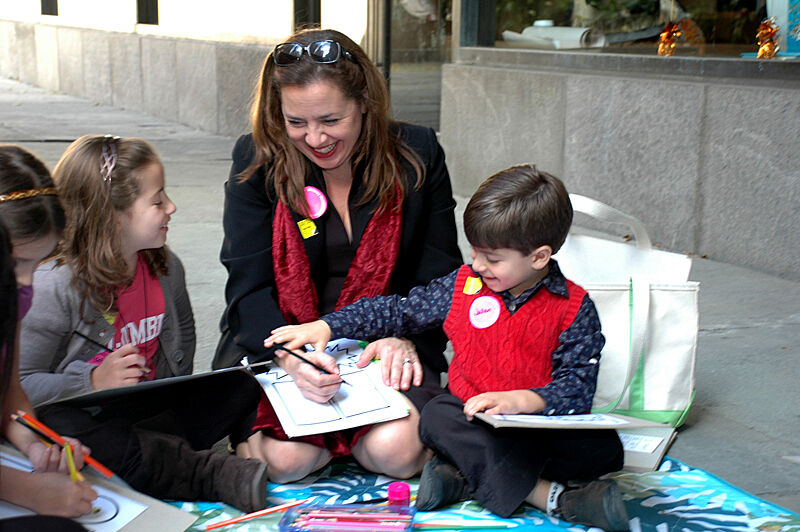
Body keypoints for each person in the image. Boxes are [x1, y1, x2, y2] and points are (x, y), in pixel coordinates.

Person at [264, 164, 630, 531]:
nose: (478, 264)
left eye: (494, 258)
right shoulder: (464, 285)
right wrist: (327, 324)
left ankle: (462, 476)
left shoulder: (574, 308)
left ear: (538, 256)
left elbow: (579, 387)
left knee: (606, 449)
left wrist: (524, 401)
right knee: (438, 415)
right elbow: (395, 311)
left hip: (538, 425)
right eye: (475, 251)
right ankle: (553, 497)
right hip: (473, 422)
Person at [215, 27, 462, 483]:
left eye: (331, 119)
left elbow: (442, 279)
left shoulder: (417, 153)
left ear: (365, 100)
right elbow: (246, 291)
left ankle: (351, 438)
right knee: (289, 462)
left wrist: (407, 340)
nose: (314, 138)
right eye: (296, 122)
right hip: (278, 349)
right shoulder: (256, 161)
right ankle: (292, 438)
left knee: (395, 453)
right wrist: (291, 359)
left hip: (384, 341)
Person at [13, 138, 267, 512]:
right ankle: (203, 474)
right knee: (68, 425)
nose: (171, 207)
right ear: (113, 215)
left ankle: (178, 455)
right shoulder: (55, 283)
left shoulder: (166, 268)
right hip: (94, 420)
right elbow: (19, 387)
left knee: (242, 378)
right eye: (157, 200)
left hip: (150, 416)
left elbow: (185, 343)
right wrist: (91, 382)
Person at [0, 146, 95, 531]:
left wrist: (36, 443)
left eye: (37, 264)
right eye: (15, 264)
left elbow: (10, 390)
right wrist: (28, 490)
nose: (27, 282)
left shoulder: (13, 293)